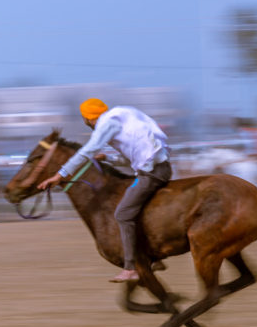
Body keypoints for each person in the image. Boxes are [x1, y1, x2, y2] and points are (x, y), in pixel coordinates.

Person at [38, 98, 172, 283]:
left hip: (151, 174)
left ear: (87, 119)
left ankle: (131, 267)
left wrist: (60, 175)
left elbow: (86, 151)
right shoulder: (122, 116)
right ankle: (152, 258)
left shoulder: (105, 124)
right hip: (157, 168)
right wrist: (107, 159)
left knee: (123, 214)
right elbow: (130, 158)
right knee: (132, 210)